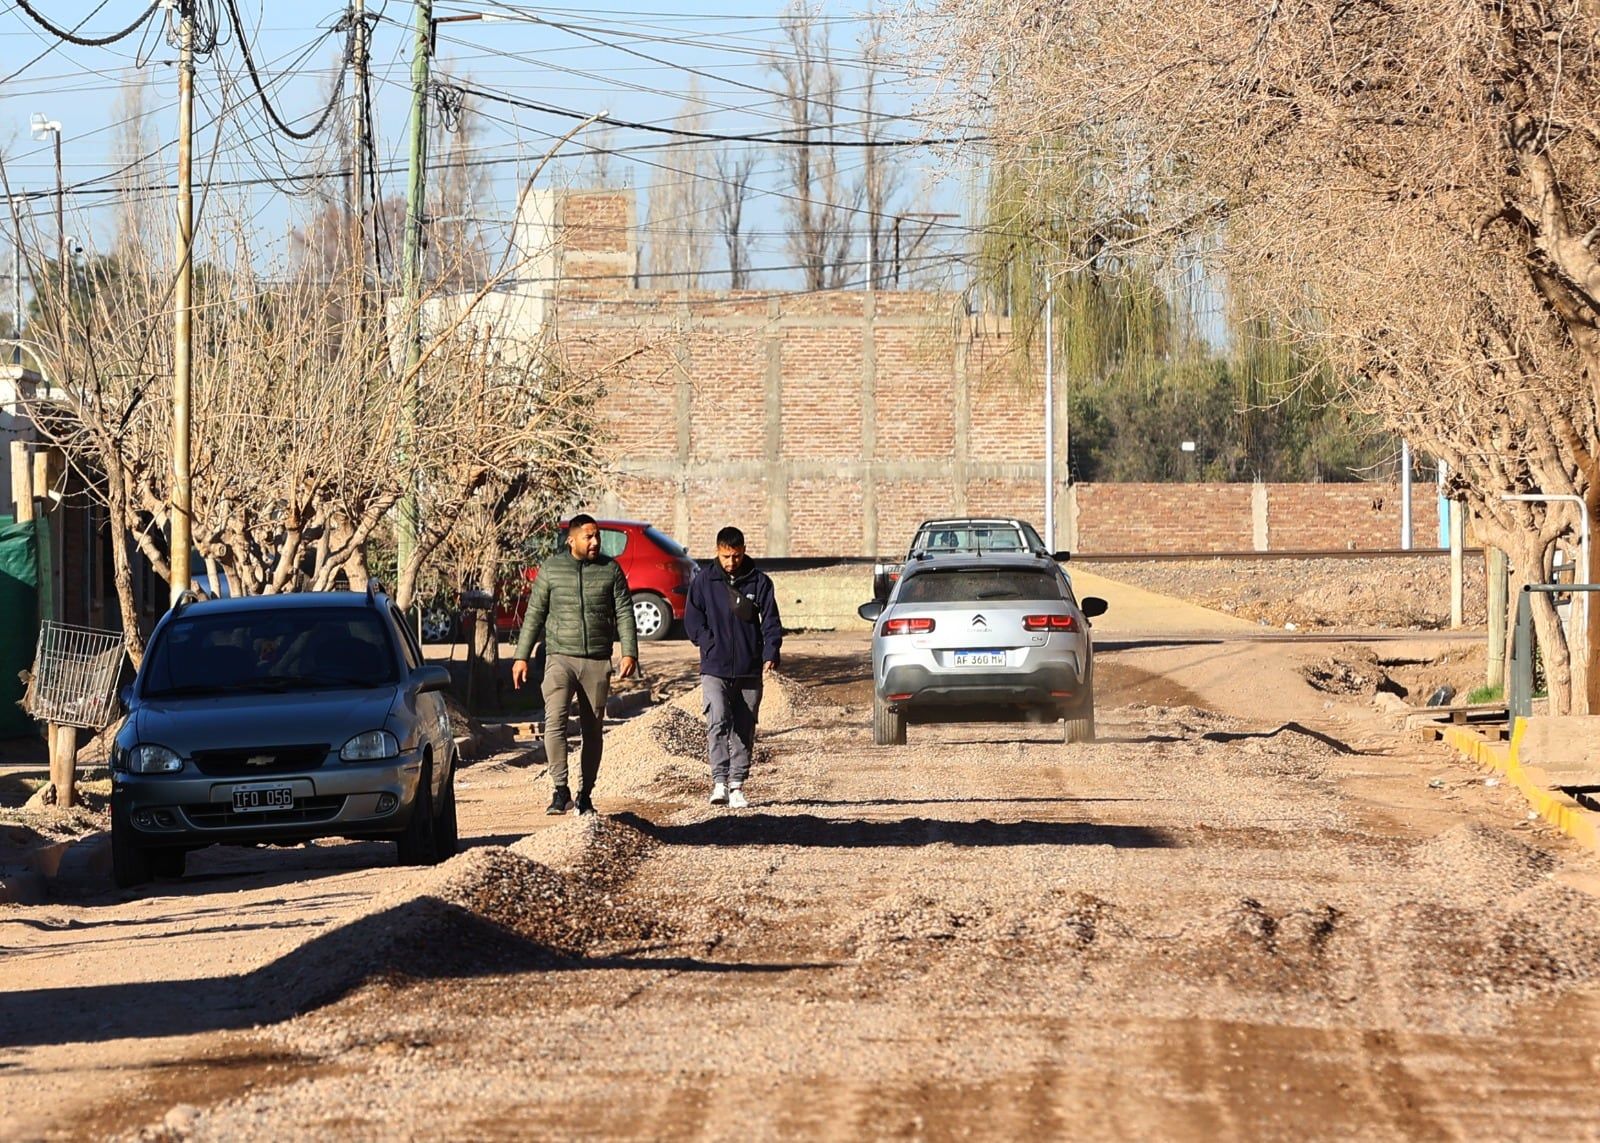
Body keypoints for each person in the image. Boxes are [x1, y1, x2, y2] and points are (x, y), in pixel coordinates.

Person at [511, 514, 638, 816]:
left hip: (597, 660)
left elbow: (624, 611)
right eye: (588, 537)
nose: (595, 542)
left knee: (592, 729)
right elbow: (535, 613)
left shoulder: (610, 570)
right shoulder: (552, 569)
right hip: (559, 658)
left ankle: (585, 794)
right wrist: (521, 656)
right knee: (554, 721)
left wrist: (629, 651)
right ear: (572, 540)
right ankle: (560, 790)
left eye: (597, 536)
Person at [684, 525, 783, 809]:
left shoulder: (760, 582)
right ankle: (719, 782)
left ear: (744, 551)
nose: (731, 562)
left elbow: (771, 621)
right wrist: (708, 643)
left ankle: (737, 784)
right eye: (726, 556)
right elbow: (693, 620)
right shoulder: (704, 582)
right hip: (714, 667)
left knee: (744, 725)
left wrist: (770, 651)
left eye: (736, 556)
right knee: (717, 719)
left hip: (749, 668)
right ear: (717, 552)